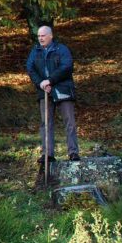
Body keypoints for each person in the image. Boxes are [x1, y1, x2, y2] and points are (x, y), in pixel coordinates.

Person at [26, 25, 81, 163]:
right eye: (39, 36)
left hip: (62, 89)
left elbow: (67, 67)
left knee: (69, 121)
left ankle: (73, 152)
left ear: (50, 36)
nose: (40, 38)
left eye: (43, 35)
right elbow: (30, 68)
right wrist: (41, 84)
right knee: (46, 123)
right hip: (44, 91)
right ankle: (48, 154)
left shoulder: (61, 49)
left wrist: (50, 80)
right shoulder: (35, 51)